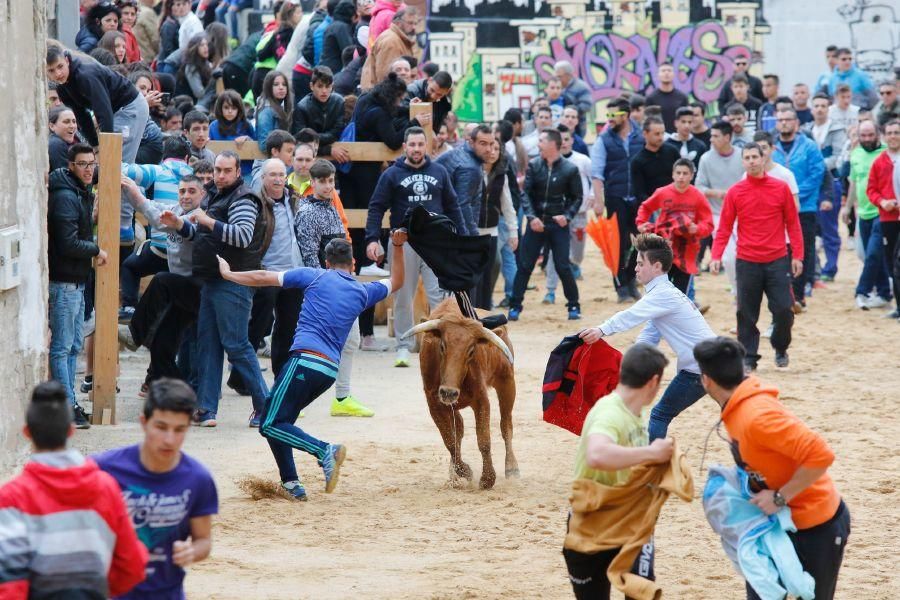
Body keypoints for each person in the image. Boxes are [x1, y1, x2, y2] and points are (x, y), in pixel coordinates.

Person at [217, 231, 407, 500]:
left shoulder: (314, 275)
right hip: (328, 371)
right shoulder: (362, 290)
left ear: (326, 263)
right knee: (282, 421)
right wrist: (397, 246)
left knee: (268, 424)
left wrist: (229, 274)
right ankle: (292, 484)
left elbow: (263, 277)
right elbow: (398, 280)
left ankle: (324, 450)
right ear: (352, 265)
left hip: (304, 361)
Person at [693, 336, 851, 600]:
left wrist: (780, 496)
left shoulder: (757, 415)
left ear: (706, 380)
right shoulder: (739, 405)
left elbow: (821, 454)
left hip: (815, 526)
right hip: (774, 525)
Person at [0, 381, 148, 598]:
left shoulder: (12, 497)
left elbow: (11, 586)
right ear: (71, 431)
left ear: (27, 432)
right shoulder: (104, 487)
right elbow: (132, 566)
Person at [563, 343, 674, 600]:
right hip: (592, 520)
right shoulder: (609, 413)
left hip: (631, 520)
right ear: (654, 381)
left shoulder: (636, 410)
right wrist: (651, 453)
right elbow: (597, 454)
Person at [578, 234, 715, 439]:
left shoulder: (662, 295)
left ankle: (649, 465)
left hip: (700, 368)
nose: (636, 268)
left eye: (641, 264)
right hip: (712, 363)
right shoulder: (664, 293)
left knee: (660, 415)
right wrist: (632, 361)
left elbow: (630, 315)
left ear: (657, 266)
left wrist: (601, 330)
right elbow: (650, 334)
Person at [95, 379, 217, 600]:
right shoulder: (103, 468)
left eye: (179, 429)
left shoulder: (198, 478)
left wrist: (192, 551)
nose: (169, 440)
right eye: (161, 427)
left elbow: (204, 540)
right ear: (144, 422)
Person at [367, 127, 467, 366]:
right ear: (404, 146)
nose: (416, 149)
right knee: (402, 296)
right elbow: (376, 207)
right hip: (403, 243)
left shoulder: (439, 172)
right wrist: (372, 238)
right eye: (412, 145)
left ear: (427, 146)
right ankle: (403, 345)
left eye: (420, 144)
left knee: (441, 297)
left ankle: (442, 345)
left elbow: (453, 206)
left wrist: (461, 238)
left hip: (436, 243)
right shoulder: (392, 174)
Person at [190, 151, 272, 427]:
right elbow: (204, 234)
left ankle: (266, 408)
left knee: (236, 345)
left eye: (227, 170)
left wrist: (206, 220)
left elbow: (241, 235)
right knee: (208, 345)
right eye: (217, 170)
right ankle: (206, 409)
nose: (221, 175)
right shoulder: (215, 194)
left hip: (234, 282)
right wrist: (179, 224)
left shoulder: (243, 198)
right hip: (213, 280)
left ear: (238, 172)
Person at [710, 143, 804, 370]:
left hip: (777, 258)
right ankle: (748, 357)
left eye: (755, 156)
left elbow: (793, 223)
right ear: (743, 162)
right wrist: (716, 255)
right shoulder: (735, 191)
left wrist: (798, 255)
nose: (751, 161)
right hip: (747, 259)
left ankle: (780, 347)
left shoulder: (781, 188)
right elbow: (724, 227)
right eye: (747, 157)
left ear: (763, 159)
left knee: (783, 309)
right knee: (746, 312)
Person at [47, 42, 149, 240]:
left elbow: (103, 111)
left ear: (66, 60)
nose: (57, 74)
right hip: (116, 112)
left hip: (128, 108)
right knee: (110, 168)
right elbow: (82, 116)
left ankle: (123, 227)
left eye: (59, 67)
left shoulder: (85, 74)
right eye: (51, 71)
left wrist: (106, 150)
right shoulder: (63, 87)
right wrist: (95, 146)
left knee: (117, 169)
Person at [295, 159, 373, 415]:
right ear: (313, 182)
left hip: (341, 282)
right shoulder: (307, 212)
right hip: (325, 287)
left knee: (351, 340)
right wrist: (320, 286)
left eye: (331, 181)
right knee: (312, 344)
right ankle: (295, 396)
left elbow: (341, 246)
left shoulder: (330, 205)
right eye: (323, 181)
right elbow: (309, 254)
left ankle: (341, 397)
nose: (328, 186)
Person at [47, 144, 109, 428]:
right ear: (71, 165)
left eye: (91, 164)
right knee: (63, 347)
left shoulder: (78, 191)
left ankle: (70, 400)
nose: (88, 169)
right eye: (82, 164)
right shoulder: (65, 196)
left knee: (72, 346)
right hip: (64, 282)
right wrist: (96, 250)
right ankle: (66, 404)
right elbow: (68, 242)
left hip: (76, 281)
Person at [509, 128, 583, 321]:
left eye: (541, 140)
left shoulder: (570, 169)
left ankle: (573, 305)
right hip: (536, 224)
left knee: (562, 265)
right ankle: (515, 305)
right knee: (525, 265)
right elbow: (525, 194)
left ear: (552, 144)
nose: (538, 143)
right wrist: (532, 218)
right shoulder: (534, 166)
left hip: (558, 225)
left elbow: (577, 197)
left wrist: (567, 216)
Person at [591, 97, 645, 301]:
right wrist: (599, 200)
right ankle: (621, 286)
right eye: (608, 115)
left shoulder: (641, 135)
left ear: (626, 115)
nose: (610, 119)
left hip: (639, 198)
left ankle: (631, 279)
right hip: (615, 197)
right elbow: (597, 173)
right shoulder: (604, 139)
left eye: (614, 115)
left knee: (641, 243)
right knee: (617, 244)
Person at [772, 107, 826, 309]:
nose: (784, 123)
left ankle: (800, 295)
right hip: (776, 211)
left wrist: (791, 193)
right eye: (781, 119)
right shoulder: (772, 148)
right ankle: (785, 293)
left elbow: (817, 174)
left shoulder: (809, 146)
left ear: (796, 123)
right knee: (781, 250)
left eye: (788, 119)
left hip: (804, 208)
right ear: (777, 123)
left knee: (803, 250)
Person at [636, 159, 714, 293]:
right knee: (656, 288)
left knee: (681, 292)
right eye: (678, 173)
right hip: (663, 247)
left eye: (685, 173)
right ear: (672, 174)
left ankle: (687, 304)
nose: (681, 177)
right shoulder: (663, 192)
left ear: (691, 176)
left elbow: (708, 224)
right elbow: (645, 207)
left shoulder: (698, 196)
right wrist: (641, 223)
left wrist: (697, 229)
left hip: (686, 250)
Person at [844, 120, 892, 309]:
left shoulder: (887, 153)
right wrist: (847, 208)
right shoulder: (856, 154)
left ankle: (862, 291)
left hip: (882, 211)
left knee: (873, 253)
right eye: (862, 135)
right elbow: (854, 183)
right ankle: (883, 293)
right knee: (871, 254)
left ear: (878, 134)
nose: (866, 139)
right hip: (862, 211)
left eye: (870, 135)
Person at [544, 125, 591, 305]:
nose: (563, 143)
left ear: (572, 140)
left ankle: (574, 263)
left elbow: (591, 179)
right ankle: (550, 291)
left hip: (578, 213)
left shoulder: (583, 160)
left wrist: (593, 197)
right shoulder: (550, 163)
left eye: (566, 139)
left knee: (577, 251)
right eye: (560, 139)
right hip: (557, 216)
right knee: (554, 254)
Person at [803, 95, 847, 283]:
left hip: (830, 182)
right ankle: (817, 267)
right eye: (816, 106)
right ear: (811, 109)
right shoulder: (807, 130)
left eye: (823, 106)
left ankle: (831, 267)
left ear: (828, 108)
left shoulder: (836, 130)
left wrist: (815, 165)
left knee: (829, 227)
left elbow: (838, 157)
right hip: (813, 184)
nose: (820, 109)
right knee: (812, 228)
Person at [695, 120, 744, 286]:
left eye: (715, 136)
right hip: (717, 215)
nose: (711, 139)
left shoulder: (743, 156)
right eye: (711, 136)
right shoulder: (705, 159)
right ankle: (736, 290)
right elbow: (699, 187)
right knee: (729, 258)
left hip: (743, 215)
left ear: (727, 137)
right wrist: (716, 193)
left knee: (744, 255)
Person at [473, 138, 518, 309]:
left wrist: (513, 232)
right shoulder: (472, 171)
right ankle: (474, 308)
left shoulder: (501, 176)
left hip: (492, 231)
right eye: (489, 147)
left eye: (496, 149)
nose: (492, 152)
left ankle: (485, 306)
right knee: (475, 274)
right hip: (472, 231)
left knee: (492, 268)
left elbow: (508, 206)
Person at [866, 119, 900, 319]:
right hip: (888, 217)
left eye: (897, 132)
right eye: (890, 133)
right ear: (884, 136)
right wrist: (882, 202)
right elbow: (871, 189)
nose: (893, 136)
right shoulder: (879, 161)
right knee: (891, 262)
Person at [435, 124, 492, 237]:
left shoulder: (464, 152)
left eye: (491, 144)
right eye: (483, 144)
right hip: (451, 229)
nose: (488, 149)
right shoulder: (470, 167)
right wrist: (473, 236)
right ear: (471, 142)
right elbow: (463, 205)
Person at [291, 65, 346, 158]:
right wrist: (328, 149)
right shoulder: (302, 107)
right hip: (308, 156)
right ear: (312, 86)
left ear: (332, 86)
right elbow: (301, 140)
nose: (324, 91)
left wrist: (313, 139)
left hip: (334, 153)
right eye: (320, 86)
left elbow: (337, 132)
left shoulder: (339, 102)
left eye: (328, 86)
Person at [360, 7, 416, 91]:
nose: (414, 27)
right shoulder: (391, 41)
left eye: (415, 23)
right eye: (410, 23)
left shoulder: (398, 39)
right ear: (398, 23)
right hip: (382, 96)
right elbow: (385, 76)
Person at [630, 116, 681, 206]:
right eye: (657, 134)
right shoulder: (637, 162)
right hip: (653, 208)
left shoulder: (672, 151)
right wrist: (656, 204)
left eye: (662, 133)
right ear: (645, 134)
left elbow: (682, 176)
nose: (661, 137)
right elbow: (639, 193)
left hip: (677, 203)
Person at [402, 71, 454, 135]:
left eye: (439, 94)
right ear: (429, 80)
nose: (433, 96)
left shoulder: (444, 104)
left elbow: (436, 129)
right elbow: (400, 122)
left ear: (447, 92)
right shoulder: (411, 91)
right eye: (432, 90)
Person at [256, 70, 294, 155]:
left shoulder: (284, 108)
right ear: (268, 87)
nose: (281, 87)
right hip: (267, 162)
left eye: (284, 84)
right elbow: (264, 145)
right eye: (276, 84)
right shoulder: (266, 111)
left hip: (283, 158)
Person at [646, 62, 688, 132]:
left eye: (669, 70)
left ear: (674, 74)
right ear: (658, 75)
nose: (666, 73)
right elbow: (648, 121)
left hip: (677, 136)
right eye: (663, 71)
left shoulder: (682, 97)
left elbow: (686, 118)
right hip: (658, 136)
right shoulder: (651, 98)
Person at [555, 60, 592, 136]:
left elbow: (587, 106)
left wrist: (571, 111)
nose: (557, 79)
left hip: (577, 129)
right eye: (556, 76)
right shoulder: (557, 87)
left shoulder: (581, 87)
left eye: (559, 76)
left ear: (568, 75)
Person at [666, 106, 708, 172]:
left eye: (690, 122)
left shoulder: (700, 146)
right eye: (683, 122)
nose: (687, 126)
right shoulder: (667, 145)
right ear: (676, 123)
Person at [319, 0, 356, 74]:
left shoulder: (334, 24)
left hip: (327, 68)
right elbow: (348, 49)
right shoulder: (341, 27)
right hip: (334, 70)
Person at [175, 33, 212, 102]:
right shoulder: (191, 67)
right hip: (188, 103)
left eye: (206, 44)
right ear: (195, 48)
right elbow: (199, 93)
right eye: (202, 45)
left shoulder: (205, 62)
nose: (205, 47)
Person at [48, 105, 82, 172]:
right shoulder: (56, 144)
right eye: (66, 122)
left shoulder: (76, 140)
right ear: (52, 126)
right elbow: (65, 177)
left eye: (74, 121)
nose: (72, 126)